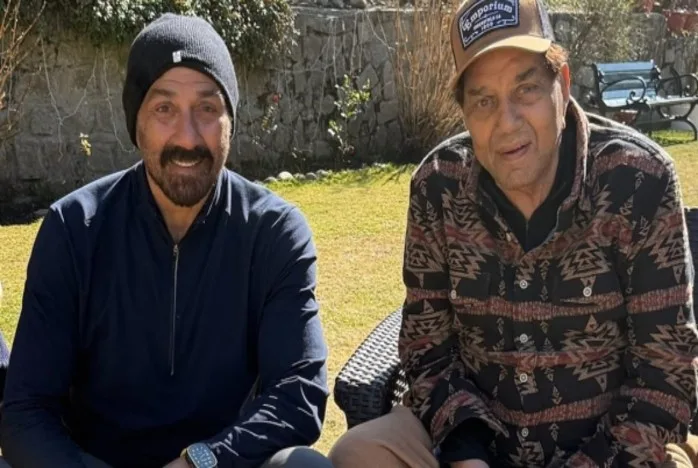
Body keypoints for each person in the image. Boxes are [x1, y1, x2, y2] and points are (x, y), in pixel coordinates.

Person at [328, 0, 698, 466]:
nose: (506, 123)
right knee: (358, 452)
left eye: (526, 90)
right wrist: (467, 453)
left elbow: (665, 377)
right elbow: (426, 350)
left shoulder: (639, 179)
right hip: (478, 443)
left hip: (614, 451)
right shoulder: (437, 185)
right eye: (484, 101)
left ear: (562, 85)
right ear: (464, 112)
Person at [0, 13, 332, 468]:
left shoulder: (273, 233)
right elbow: (25, 411)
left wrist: (201, 461)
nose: (187, 137)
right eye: (164, 109)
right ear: (135, 121)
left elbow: (298, 394)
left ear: (230, 120)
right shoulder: (74, 228)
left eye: (207, 108)